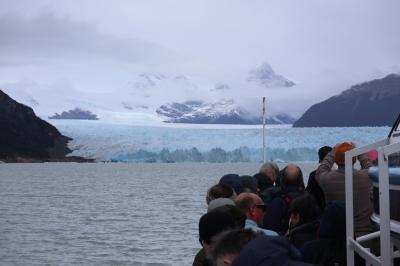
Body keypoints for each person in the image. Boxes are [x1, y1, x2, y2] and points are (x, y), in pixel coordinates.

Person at [315, 142, 373, 237]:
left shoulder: (327, 179)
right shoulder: (365, 176)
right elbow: (371, 167)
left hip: (336, 236)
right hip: (364, 236)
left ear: (336, 161)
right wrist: (359, 152)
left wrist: (333, 152)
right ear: (354, 160)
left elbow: (322, 168)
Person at [263, 164, 305, 234]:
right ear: (301, 181)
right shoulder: (310, 199)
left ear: (282, 180)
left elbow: (269, 228)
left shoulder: (276, 201)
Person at [306, 146, 332, 211]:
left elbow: (309, 195)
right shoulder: (339, 175)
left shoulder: (313, 175)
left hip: (319, 212)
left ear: (320, 160)